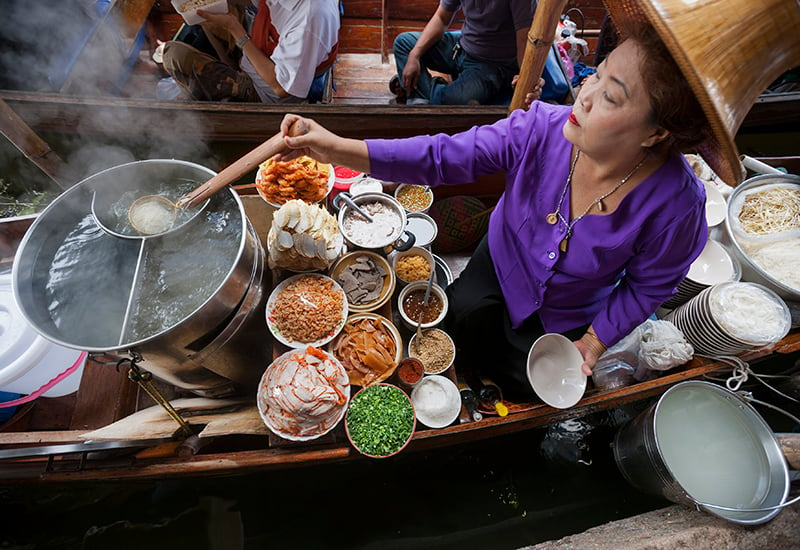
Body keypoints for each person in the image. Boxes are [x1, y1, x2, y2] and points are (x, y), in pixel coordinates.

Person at [273, 15, 725, 399]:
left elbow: (647, 289)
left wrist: (593, 341)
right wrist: (333, 147)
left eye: (611, 95)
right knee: (459, 323)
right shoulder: (539, 128)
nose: (584, 94)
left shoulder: (679, 207)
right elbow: (440, 156)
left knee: (524, 384)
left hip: (565, 315)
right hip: (498, 265)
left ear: (655, 134)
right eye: (597, 74)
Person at [162, 0, 339, 103]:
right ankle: (228, 66)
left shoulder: (310, 18)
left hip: (264, 93)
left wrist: (235, 30)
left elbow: (281, 87)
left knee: (174, 55)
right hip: (256, 54)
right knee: (223, 6)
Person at [390, 0, 534, 105]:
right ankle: (421, 96)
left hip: (492, 64)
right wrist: (414, 55)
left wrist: (525, 78)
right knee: (404, 43)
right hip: (462, 47)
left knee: (454, 102)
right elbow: (441, 18)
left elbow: (524, 39)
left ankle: (421, 89)